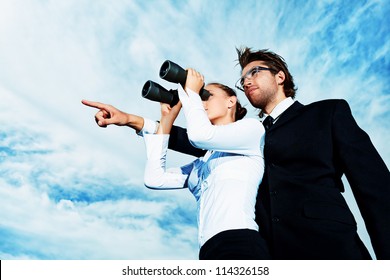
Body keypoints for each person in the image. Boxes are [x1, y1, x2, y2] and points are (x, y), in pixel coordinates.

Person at [165, 48, 390, 260]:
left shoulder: (326, 113)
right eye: (242, 79)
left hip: (331, 249)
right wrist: (144, 125)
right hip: (272, 257)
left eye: (254, 72)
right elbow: (204, 140)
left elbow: (375, 188)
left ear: (280, 77)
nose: (247, 81)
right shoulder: (253, 133)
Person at [82, 69, 270, 260]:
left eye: (208, 96)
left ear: (231, 101)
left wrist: (191, 92)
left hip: (241, 241)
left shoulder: (252, 131)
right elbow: (155, 179)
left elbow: (200, 136)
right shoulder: (202, 164)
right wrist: (166, 120)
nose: (202, 102)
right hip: (208, 250)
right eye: (201, 97)